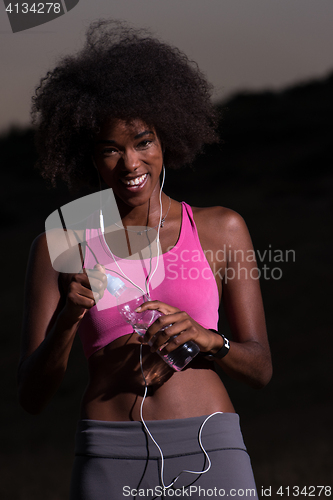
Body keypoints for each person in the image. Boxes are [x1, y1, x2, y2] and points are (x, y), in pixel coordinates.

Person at [18, 19, 272, 499]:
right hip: (109, 456)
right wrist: (69, 318)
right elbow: (31, 397)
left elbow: (260, 368)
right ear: (88, 157)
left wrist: (207, 339)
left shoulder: (221, 229)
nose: (131, 164)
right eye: (111, 149)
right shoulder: (59, 244)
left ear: (167, 138)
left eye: (143, 142)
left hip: (210, 448)